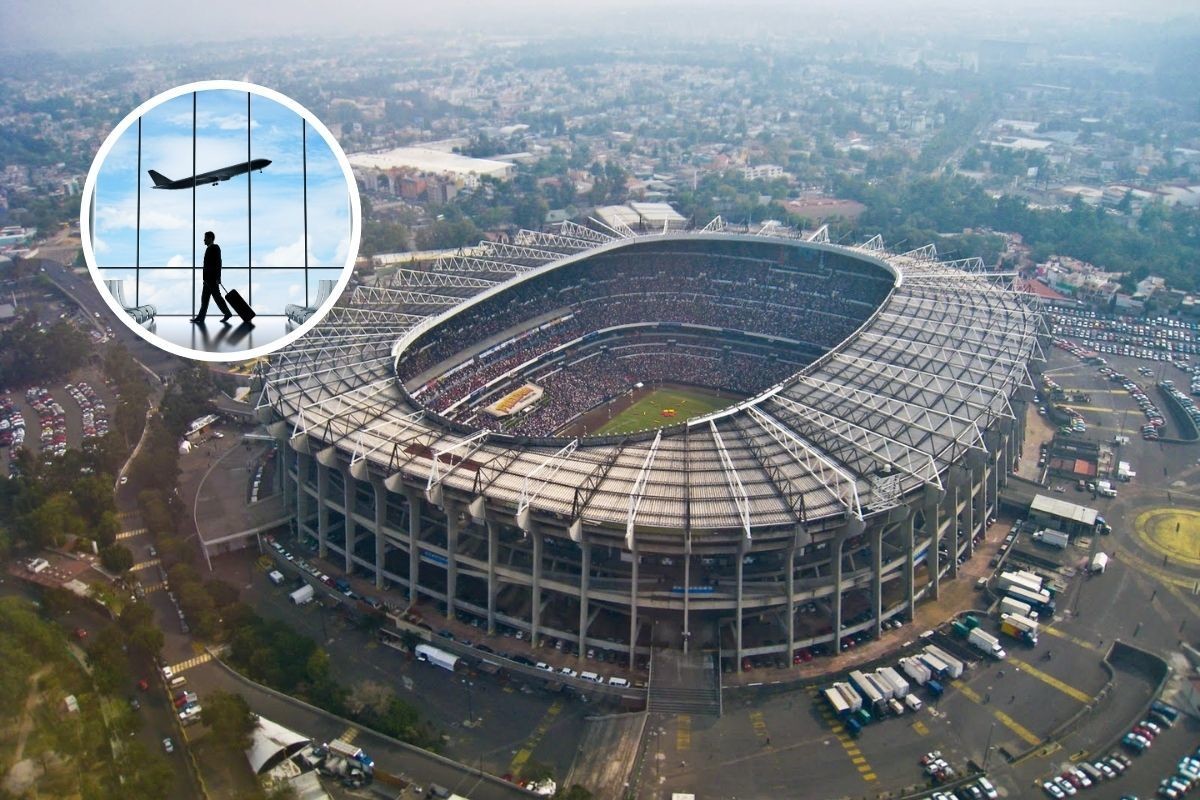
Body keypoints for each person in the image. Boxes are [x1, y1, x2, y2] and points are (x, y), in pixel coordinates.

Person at [191, 231, 233, 323]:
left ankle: (227, 313)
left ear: (210, 238)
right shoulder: (209, 249)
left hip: (212, 279)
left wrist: (218, 277)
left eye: (205, 238)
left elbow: (218, 263)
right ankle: (201, 317)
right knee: (205, 300)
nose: (204, 240)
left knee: (217, 298)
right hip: (207, 280)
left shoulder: (215, 248)